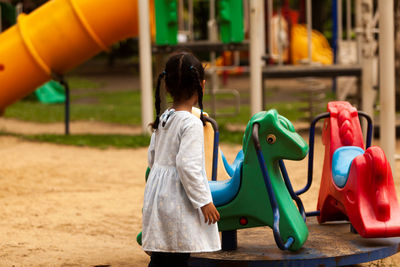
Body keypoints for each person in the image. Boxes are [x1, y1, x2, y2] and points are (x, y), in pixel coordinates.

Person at [142, 52, 221, 267]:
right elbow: (188, 165)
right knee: (176, 254)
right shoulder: (191, 123)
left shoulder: (165, 117)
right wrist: (204, 201)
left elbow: (152, 157)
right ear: (202, 85)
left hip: (158, 194)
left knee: (164, 255)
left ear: (166, 86)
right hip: (178, 200)